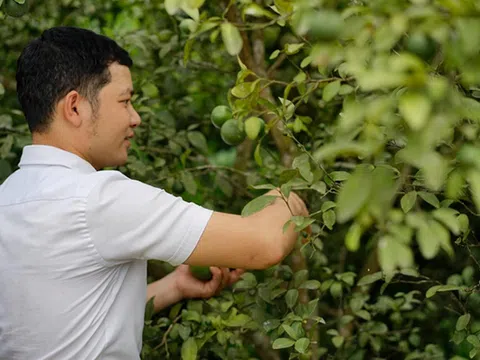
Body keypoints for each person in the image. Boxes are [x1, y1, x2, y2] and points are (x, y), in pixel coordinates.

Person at [0, 26, 310, 359]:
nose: (135, 118)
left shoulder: (8, 197)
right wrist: (290, 196)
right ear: (74, 107)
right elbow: (265, 243)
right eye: (125, 101)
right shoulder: (99, 199)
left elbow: (62, 317)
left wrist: (173, 287)